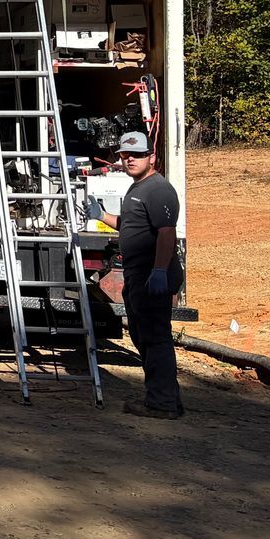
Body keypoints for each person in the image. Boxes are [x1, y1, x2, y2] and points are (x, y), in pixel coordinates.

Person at [99, 130, 184, 418]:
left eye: (136, 154)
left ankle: (162, 403)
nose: (130, 159)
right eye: (125, 155)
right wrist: (101, 216)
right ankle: (165, 396)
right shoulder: (138, 187)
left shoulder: (158, 189)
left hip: (151, 275)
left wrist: (159, 270)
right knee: (141, 334)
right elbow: (130, 224)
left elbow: (166, 233)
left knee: (154, 337)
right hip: (138, 275)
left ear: (152, 157)